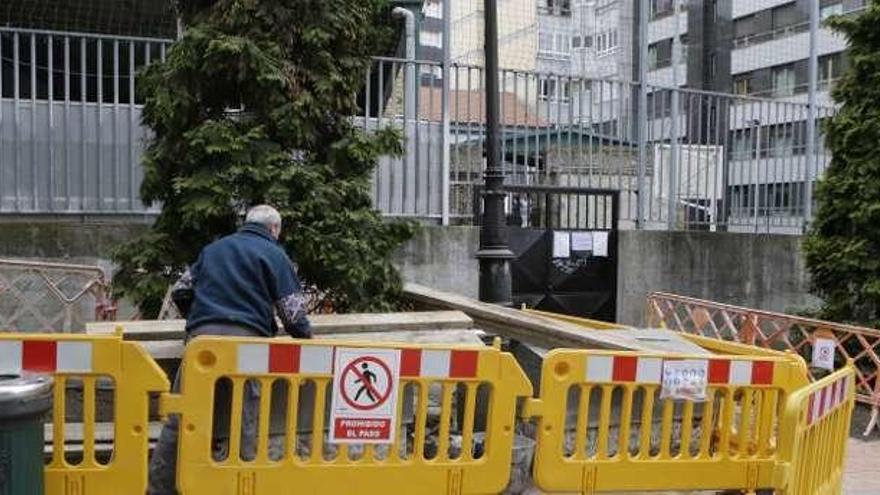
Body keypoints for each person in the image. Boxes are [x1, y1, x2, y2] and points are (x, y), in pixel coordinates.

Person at [147, 205, 311, 495]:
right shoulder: (274, 254)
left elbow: (182, 290)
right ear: (275, 229)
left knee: (182, 419)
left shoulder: (213, 250)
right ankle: (238, 486)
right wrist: (306, 340)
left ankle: (160, 488)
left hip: (202, 345)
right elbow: (293, 313)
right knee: (244, 419)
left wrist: (200, 320)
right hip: (246, 348)